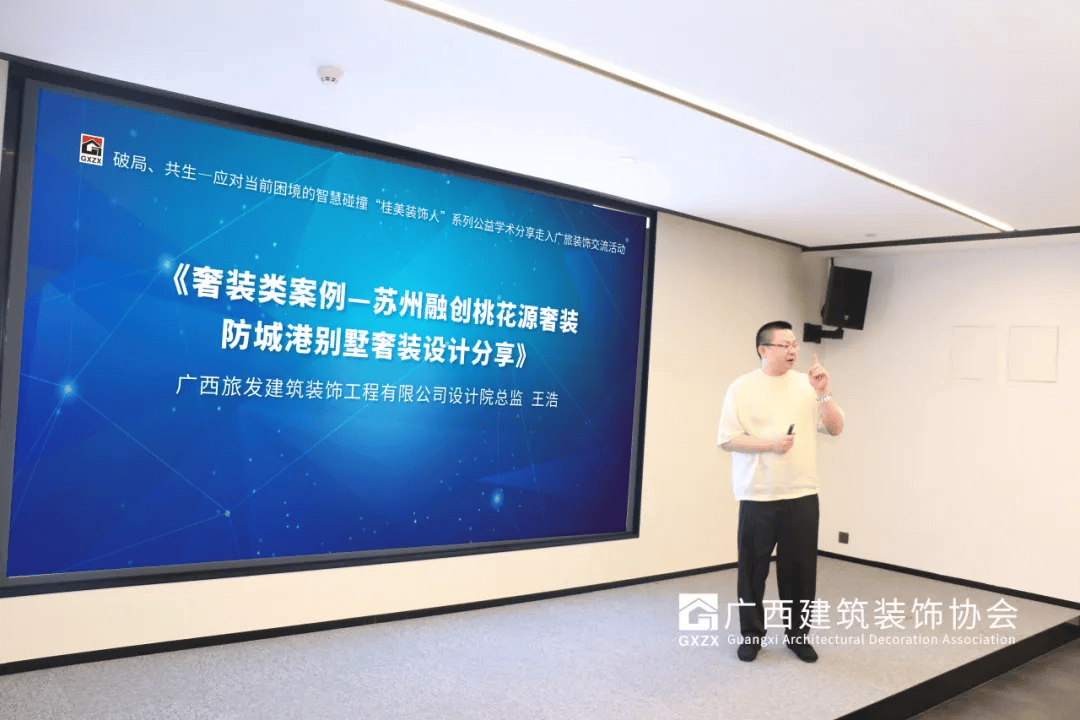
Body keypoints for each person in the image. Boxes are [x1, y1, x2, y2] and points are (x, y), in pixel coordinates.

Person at [717, 321, 844, 663]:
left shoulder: (807, 385)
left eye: (795, 345)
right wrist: (771, 445)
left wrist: (823, 392)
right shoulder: (742, 387)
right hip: (758, 494)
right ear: (763, 349)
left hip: (802, 493)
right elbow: (727, 439)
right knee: (752, 572)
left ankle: (798, 637)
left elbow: (835, 428)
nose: (792, 351)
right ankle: (751, 636)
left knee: (800, 572)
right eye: (784, 345)